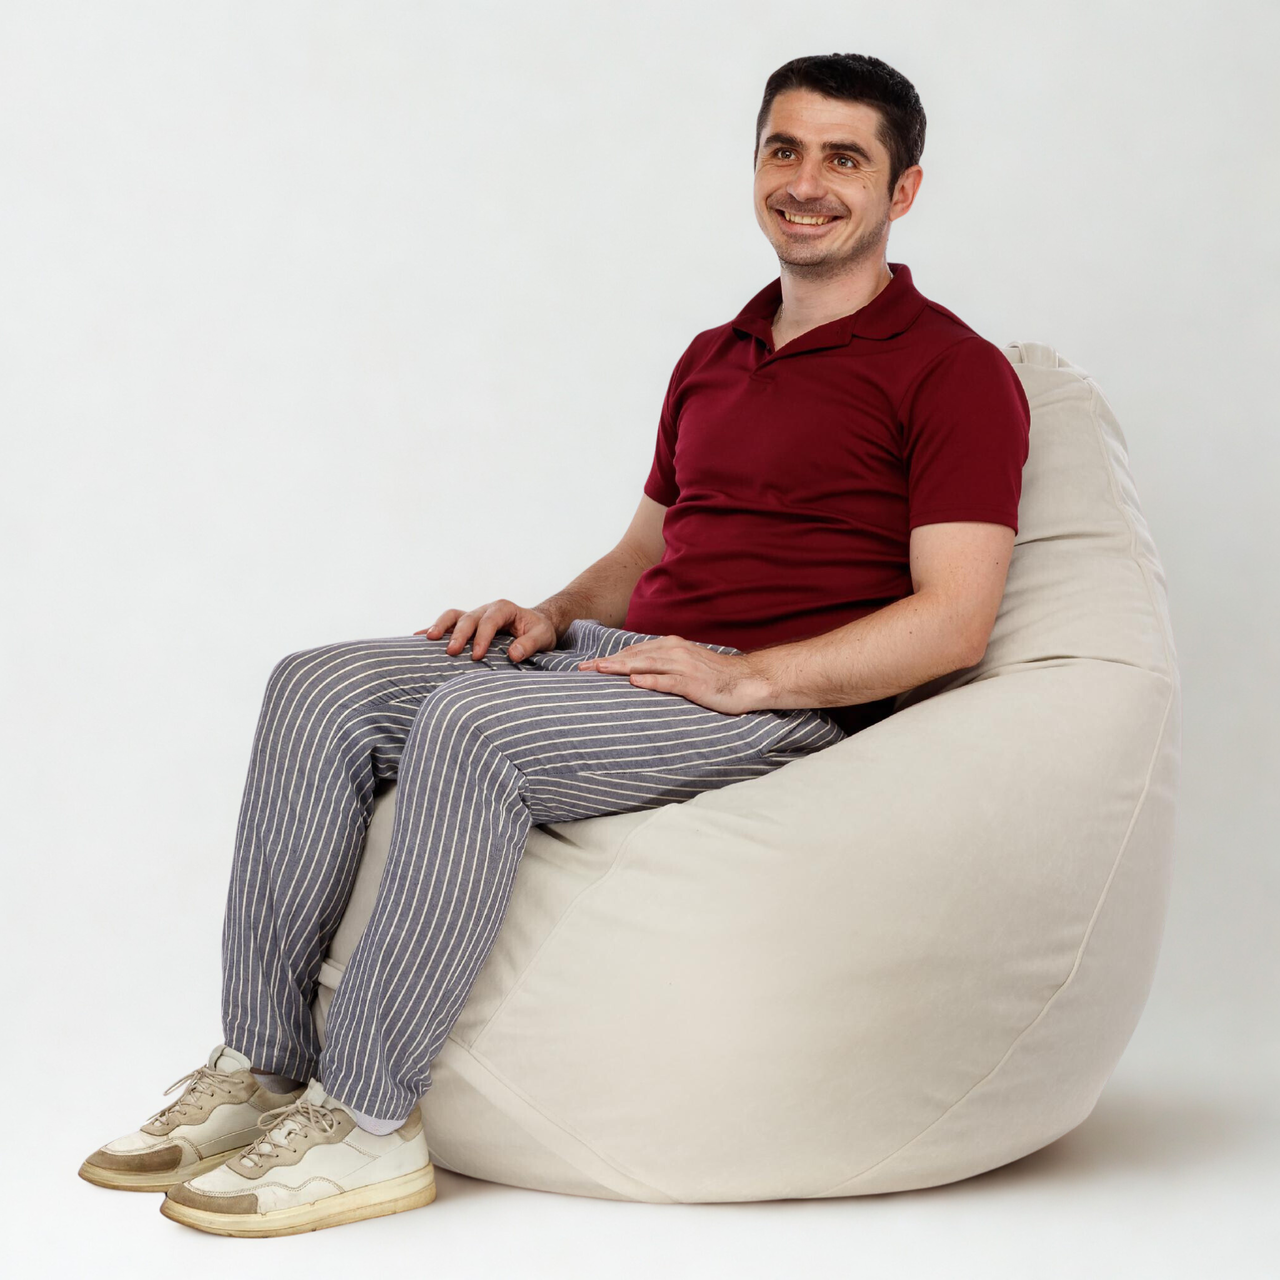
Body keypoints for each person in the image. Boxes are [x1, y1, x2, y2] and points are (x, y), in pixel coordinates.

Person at [79, 51, 1030, 1237]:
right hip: (639, 656)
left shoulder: (953, 370)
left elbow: (954, 617)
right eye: (782, 149)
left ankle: (368, 1118)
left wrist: (750, 675)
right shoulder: (715, 352)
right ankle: (264, 1064)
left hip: (773, 692)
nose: (804, 181)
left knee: (474, 727)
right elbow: (644, 549)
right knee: (317, 684)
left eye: (844, 158)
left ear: (902, 190)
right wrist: (546, 615)